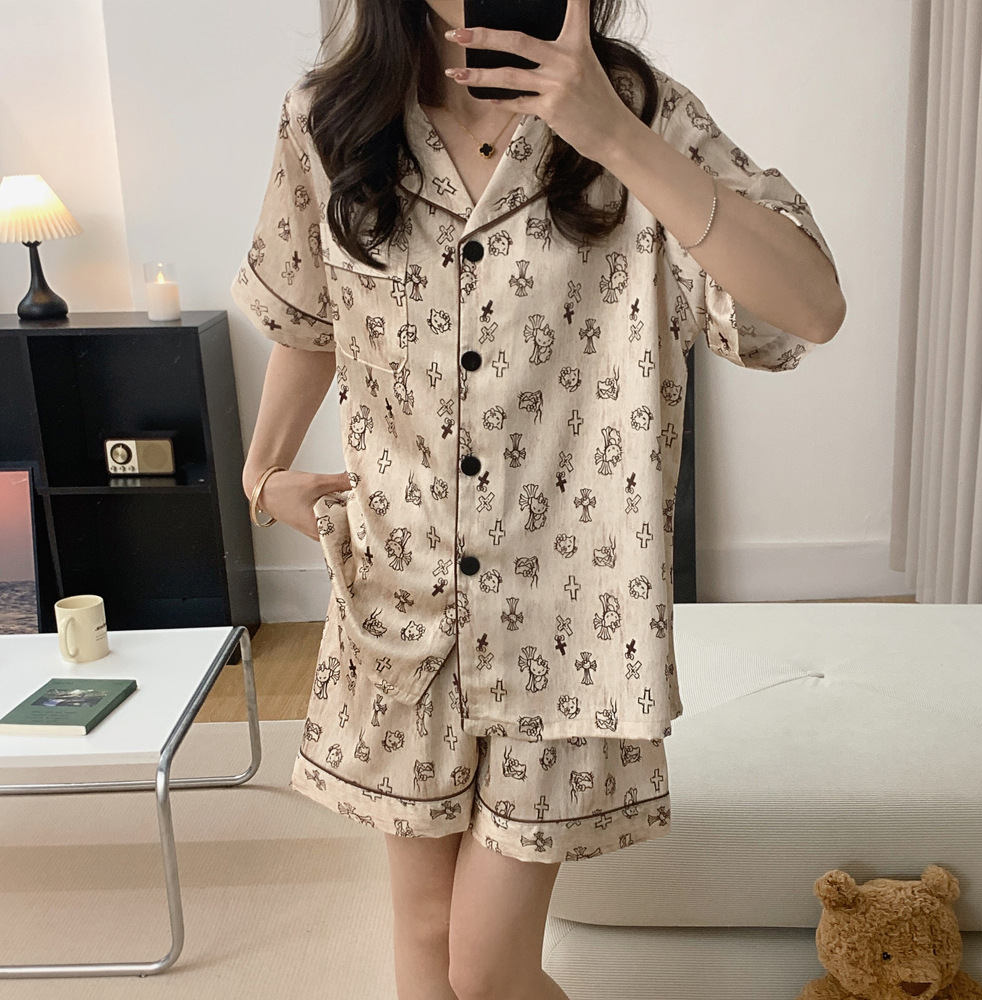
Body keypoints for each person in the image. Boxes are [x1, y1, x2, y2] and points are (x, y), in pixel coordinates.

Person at [232, 2, 845, 998]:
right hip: (399, 604)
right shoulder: (329, 120)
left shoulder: (643, 115)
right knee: (423, 939)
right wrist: (263, 476)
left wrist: (613, 134)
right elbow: (308, 316)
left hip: (568, 626)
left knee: (486, 970)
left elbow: (809, 308)